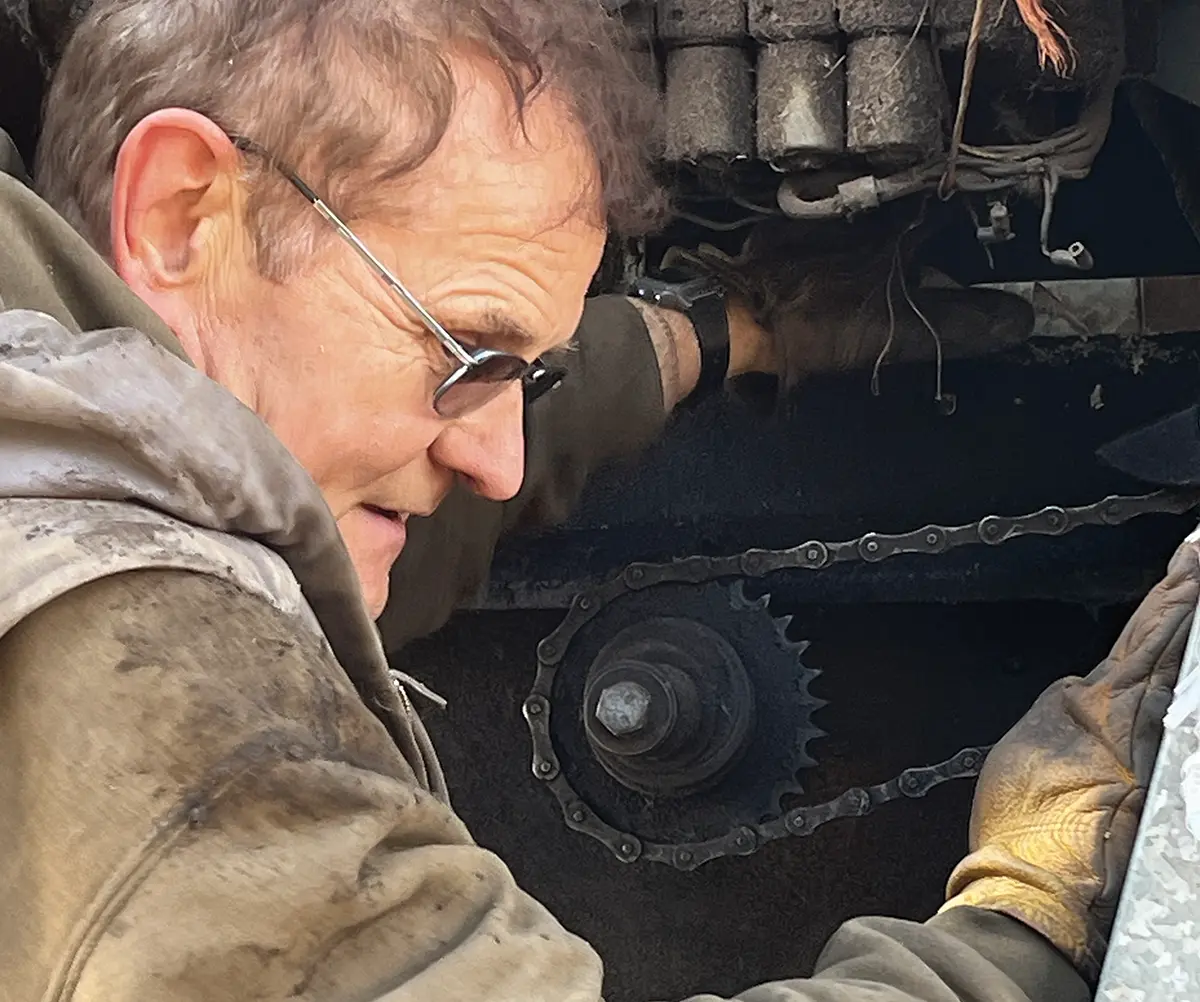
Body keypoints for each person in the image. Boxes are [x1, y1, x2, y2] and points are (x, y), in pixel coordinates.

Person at [0, 1, 1185, 1000]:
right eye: (467, 352)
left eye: (530, 372)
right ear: (180, 214)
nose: (500, 464)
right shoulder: (138, 666)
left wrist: (736, 338)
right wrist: (1032, 914)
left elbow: (357, 469)